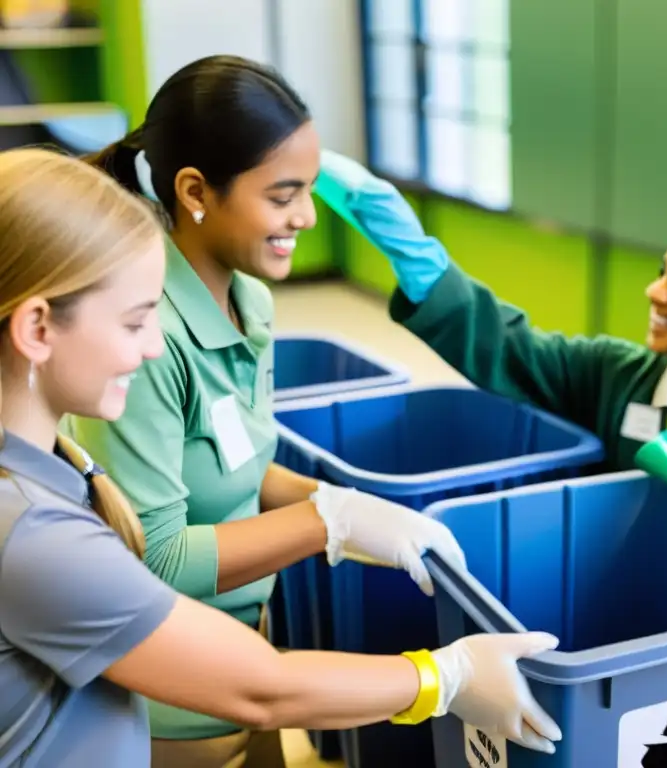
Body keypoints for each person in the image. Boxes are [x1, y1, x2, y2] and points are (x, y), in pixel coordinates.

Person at [0, 148, 561, 768]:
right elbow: (260, 687)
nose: (155, 344)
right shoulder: (31, 532)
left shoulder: (47, 458)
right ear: (37, 329)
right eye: (135, 323)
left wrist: (333, 508)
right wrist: (444, 678)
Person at [315, 153, 667, 470]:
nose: (655, 293)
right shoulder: (613, 372)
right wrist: (422, 264)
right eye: (663, 273)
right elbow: (511, 349)